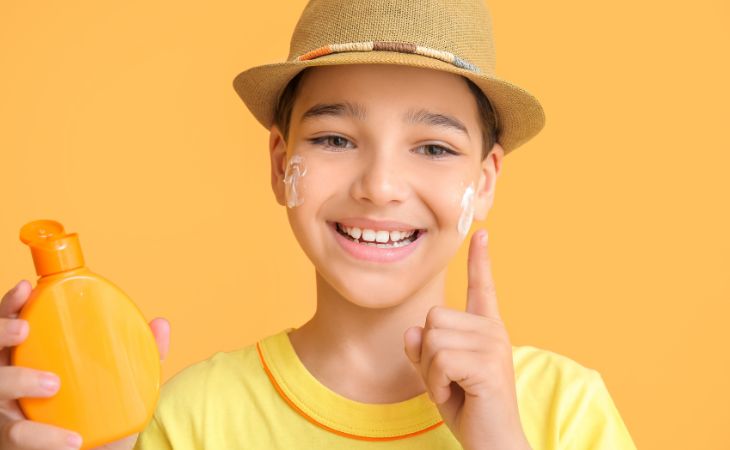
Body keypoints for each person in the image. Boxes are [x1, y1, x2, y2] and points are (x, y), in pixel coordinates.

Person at [0, 0, 637, 449]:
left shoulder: (564, 411)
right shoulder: (190, 419)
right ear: (281, 164)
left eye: (435, 148)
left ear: (486, 180)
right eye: (335, 138)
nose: (380, 186)